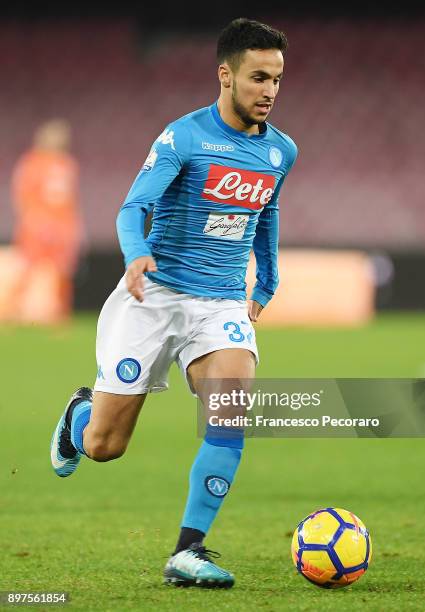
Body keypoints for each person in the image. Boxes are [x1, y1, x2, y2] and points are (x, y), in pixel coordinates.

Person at [50, 18, 297, 588]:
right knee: (105, 446)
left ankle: (190, 551)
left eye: (278, 80)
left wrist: (267, 280)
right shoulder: (183, 137)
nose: (269, 91)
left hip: (221, 306)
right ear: (225, 75)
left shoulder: (281, 151)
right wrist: (136, 254)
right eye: (258, 78)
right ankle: (79, 416)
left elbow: (268, 212)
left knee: (231, 411)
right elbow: (131, 207)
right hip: (154, 296)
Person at [9, 119, 82, 323]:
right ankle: (11, 310)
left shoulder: (68, 164)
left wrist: (72, 225)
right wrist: (33, 220)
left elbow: (71, 199)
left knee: (63, 270)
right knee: (27, 268)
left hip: (63, 225)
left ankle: (61, 314)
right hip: (37, 225)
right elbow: (23, 194)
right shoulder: (31, 162)